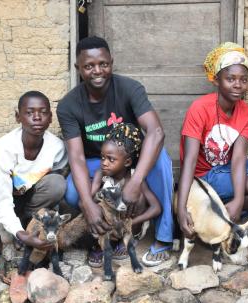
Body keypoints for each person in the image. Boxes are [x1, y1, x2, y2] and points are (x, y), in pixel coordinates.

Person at [177, 42, 248, 278]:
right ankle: (217, 211)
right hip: (206, 176)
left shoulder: (245, 113)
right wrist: (181, 207)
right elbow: (188, 160)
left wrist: (239, 200)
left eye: (243, 79)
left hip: (227, 169)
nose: (237, 84)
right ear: (217, 80)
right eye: (230, 78)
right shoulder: (200, 108)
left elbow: (239, 158)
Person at [57, 36, 174, 267]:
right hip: (95, 160)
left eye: (103, 64)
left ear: (112, 62)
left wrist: (136, 181)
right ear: (78, 68)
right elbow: (77, 157)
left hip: (131, 158)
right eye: (88, 66)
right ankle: (100, 238)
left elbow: (156, 132)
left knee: (161, 160)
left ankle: (164, 237)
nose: (97, 71)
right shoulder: (69, 105)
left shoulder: (129, 89)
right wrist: (88, 205)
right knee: (72, 193)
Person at [0, 91, 68, 274]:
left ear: (50, 118)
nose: (37, 117)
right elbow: (3, 200)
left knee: (57, 183)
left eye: (43, 112)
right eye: (29, 112)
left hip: (29, 199)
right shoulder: (3, 148)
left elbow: (59, 174)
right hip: (0, 195)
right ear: (17, 116)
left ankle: (27, 223)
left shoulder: (57, 148)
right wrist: (21, 234)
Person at [89, 122, 161, 251]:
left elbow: (156, 208)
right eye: (102, 157)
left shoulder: (135, 179)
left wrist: (132, 223)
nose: (104, 163)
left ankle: (127, 241)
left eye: (111, 159)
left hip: (130, 227)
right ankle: (103, 243)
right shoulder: (101, 174)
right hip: (110, 226)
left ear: (127, 162)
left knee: (139, 197)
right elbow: (90, 199)